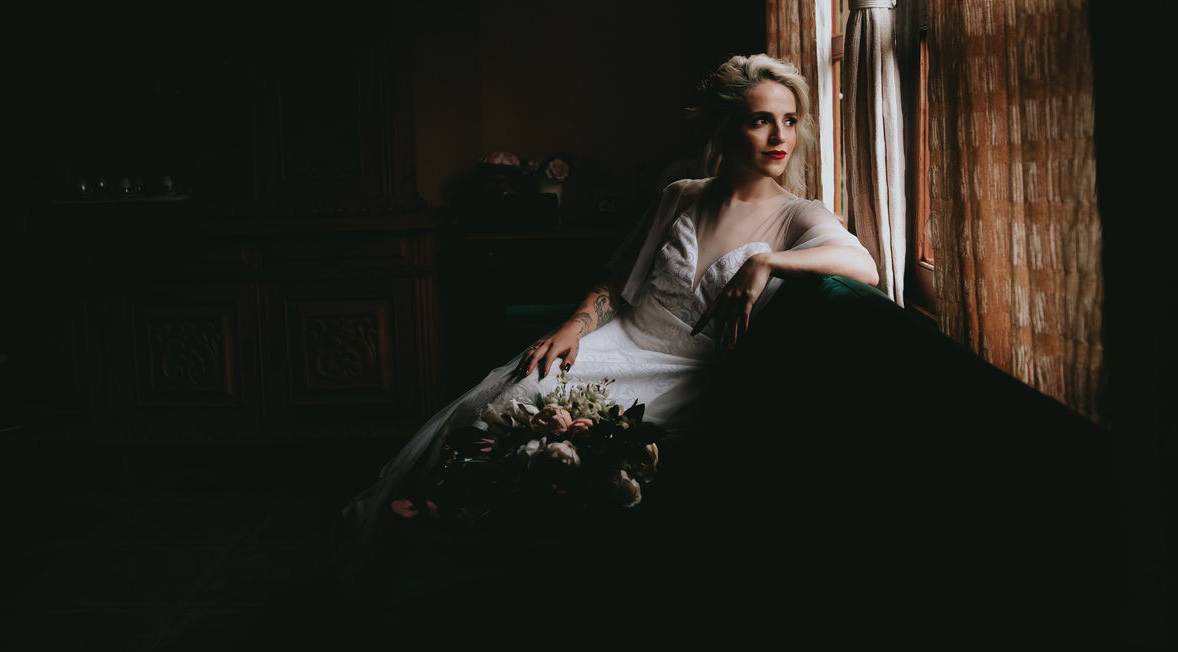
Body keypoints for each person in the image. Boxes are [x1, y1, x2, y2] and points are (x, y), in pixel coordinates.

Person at [335, 53, 878, 585]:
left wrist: (767, 262)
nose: (780, 136)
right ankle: (418, 537)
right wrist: (573, 326)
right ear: (725, 127)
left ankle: (479, 559)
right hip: (622, 339)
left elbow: (865, 267)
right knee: (503, 403)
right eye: (760, 120)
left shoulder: (798, 214)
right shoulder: (680, 196)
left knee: (564, 445)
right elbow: (617, 284)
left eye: (789, 120)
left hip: (688, 373)